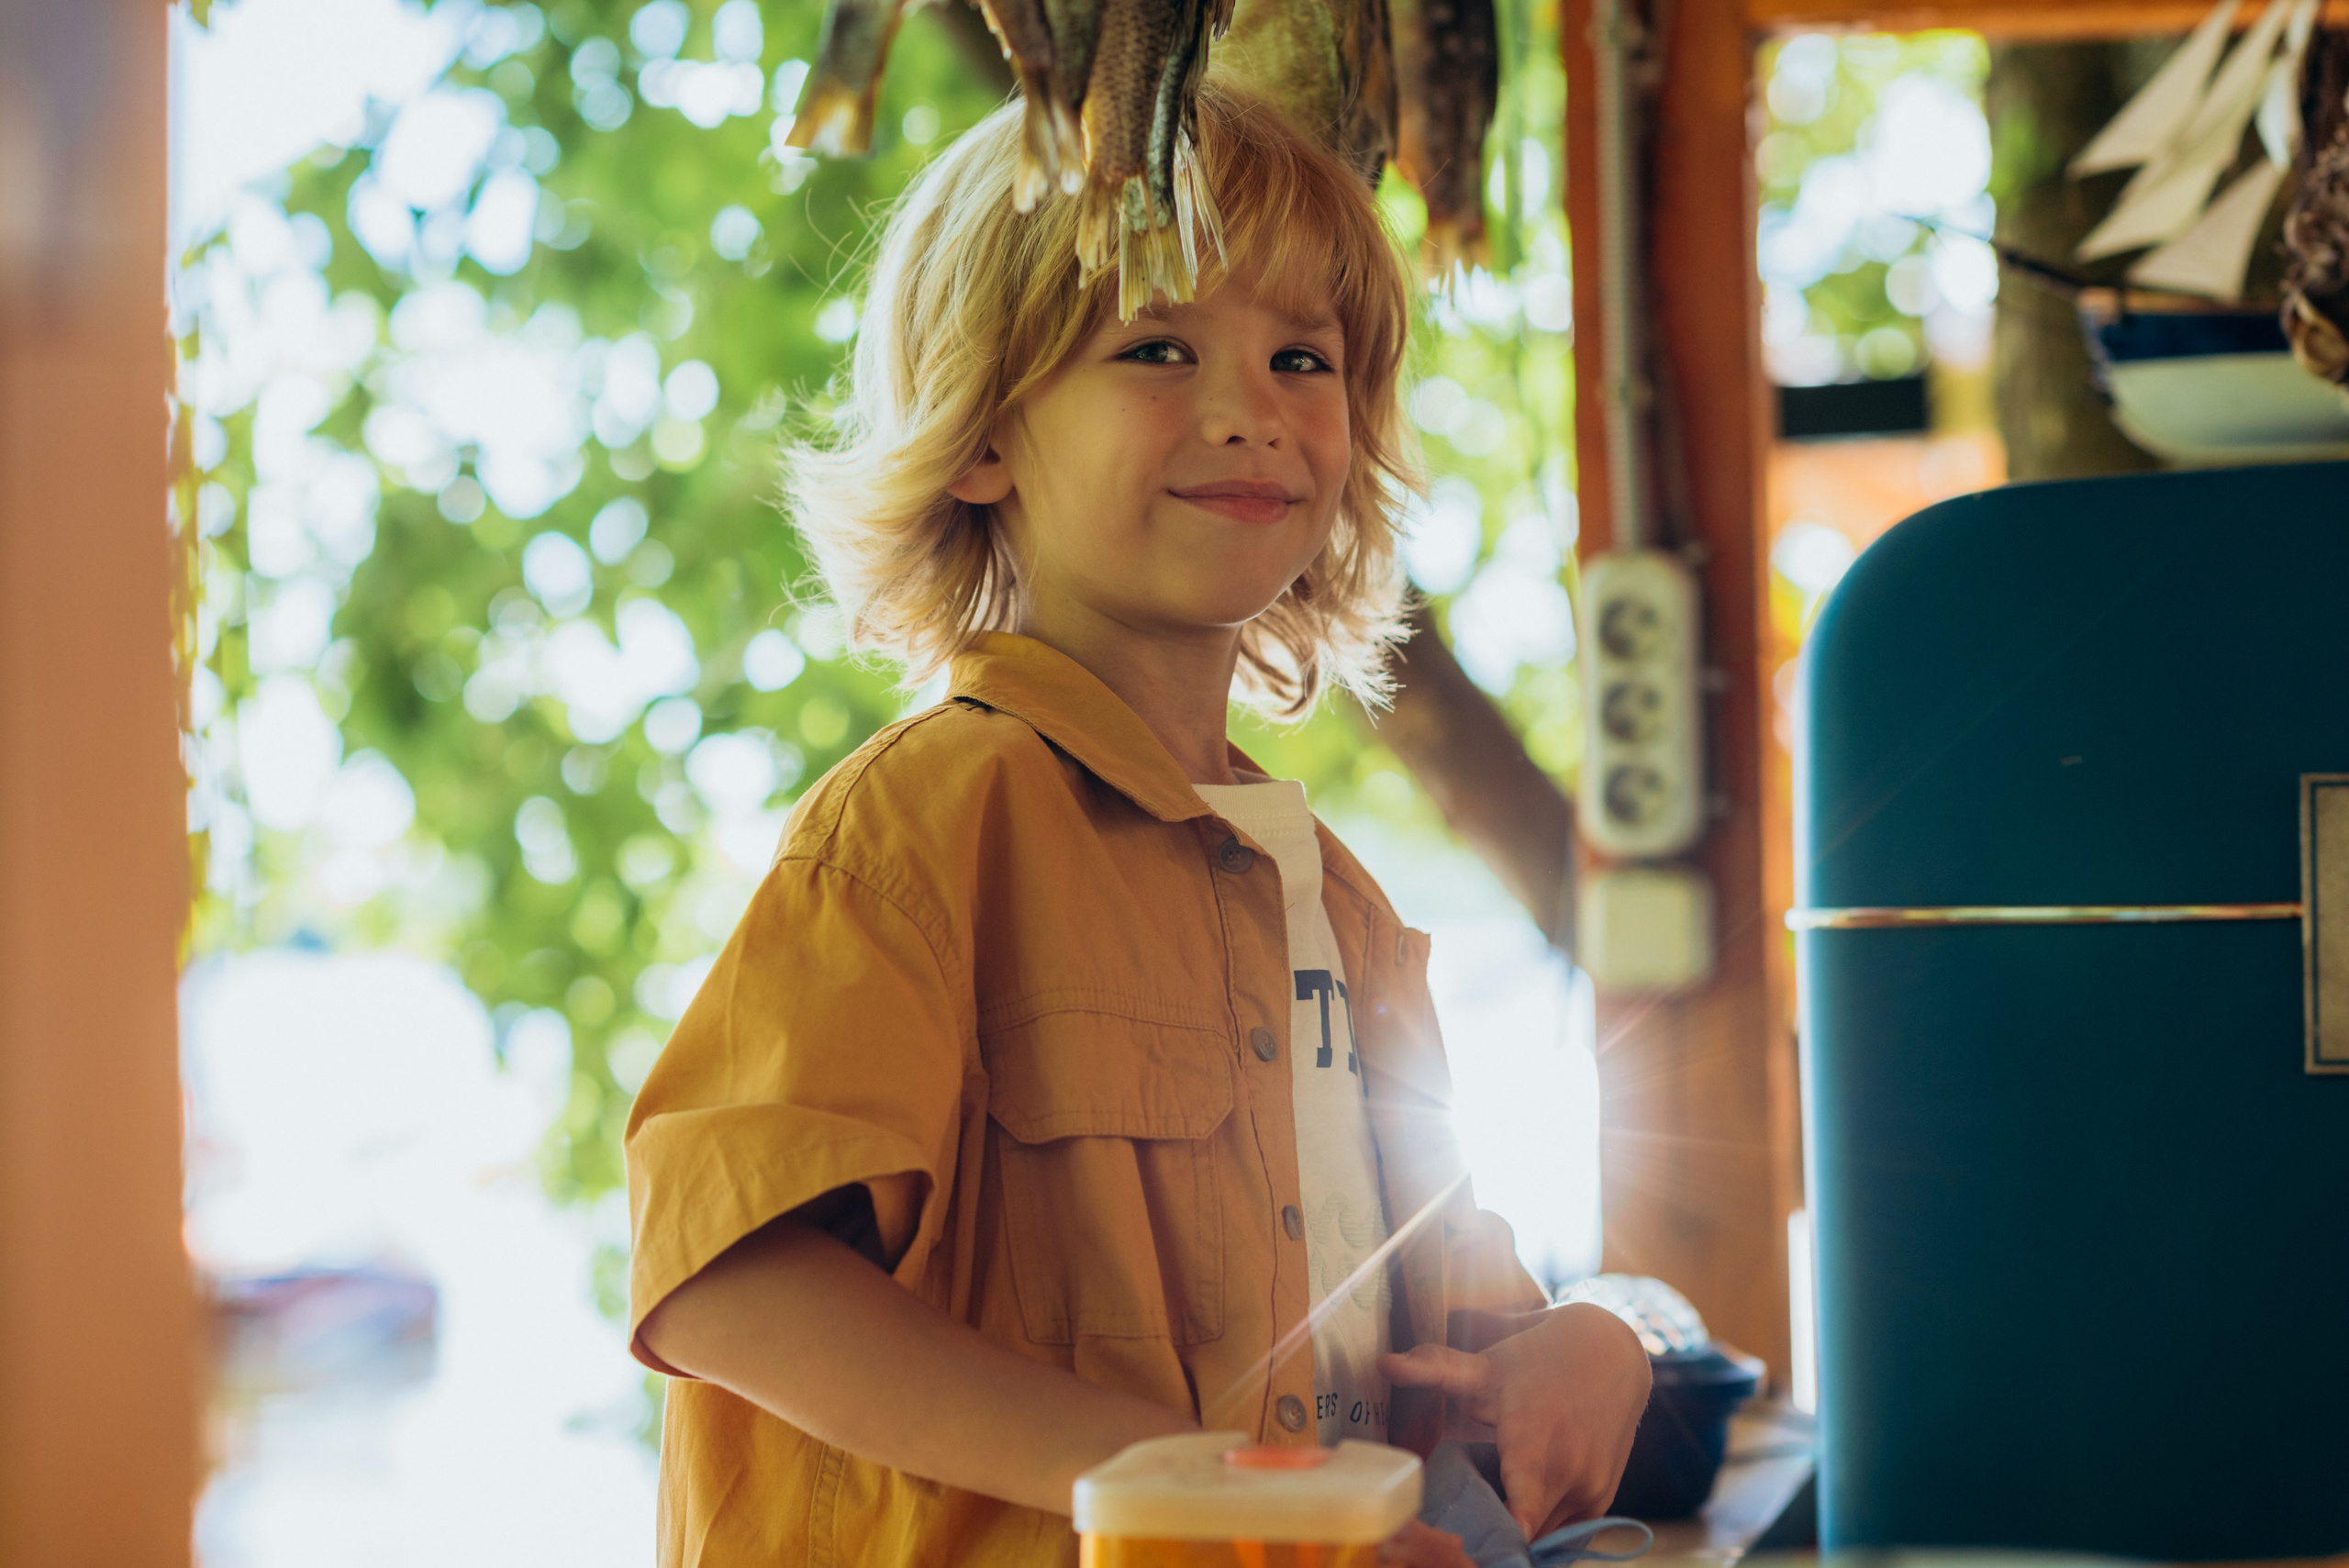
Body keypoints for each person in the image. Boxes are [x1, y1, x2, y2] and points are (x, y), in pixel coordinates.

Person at [625, 79, 1652, 1567]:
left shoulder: (1342, 905)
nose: (1252, 408)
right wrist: (1196, 1481)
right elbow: (731, 1280)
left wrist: (1586, 1341)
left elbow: (1459, 1323)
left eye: (1305, 357)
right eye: (1157, 346)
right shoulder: (923, 822)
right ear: (983, 438)